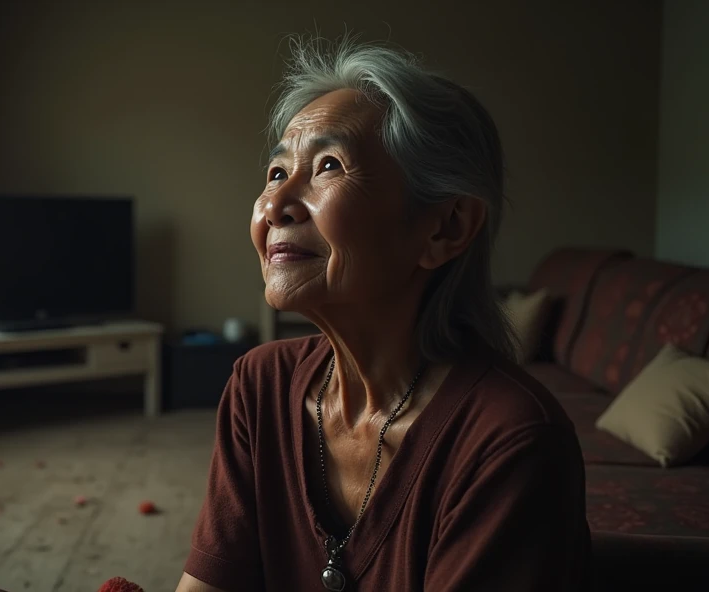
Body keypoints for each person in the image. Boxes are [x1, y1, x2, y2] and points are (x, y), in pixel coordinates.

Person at [175, 37, 590, 592]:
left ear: (445, 228)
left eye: (327, 166)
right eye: (276, 172)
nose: (273, 205)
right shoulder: (261, 385)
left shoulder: (508, 441)